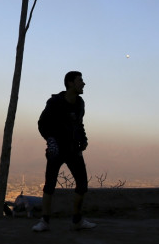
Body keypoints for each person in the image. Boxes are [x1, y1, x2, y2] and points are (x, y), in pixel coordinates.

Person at [32, 71, 96, 232]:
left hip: (73, 149)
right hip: (57, 150)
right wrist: (50, 140)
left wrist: (84, 139)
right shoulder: (55, 102)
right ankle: (44, 221)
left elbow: (79, 124)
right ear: (70, 83)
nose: (83, 83)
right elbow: (42, 123)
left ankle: (77, 220)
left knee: (82, 184)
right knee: (50, 184)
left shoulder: (80, 103)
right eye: (80, 80)